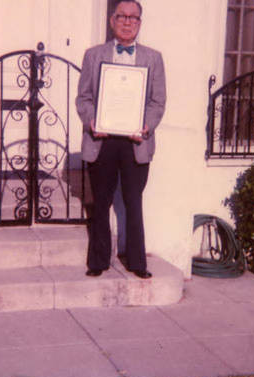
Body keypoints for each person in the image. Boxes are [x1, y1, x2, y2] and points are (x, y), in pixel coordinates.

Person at [76, 0, 166, 279]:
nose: (127, 22)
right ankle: (98, 261)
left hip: (135, 142)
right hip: (102, 139)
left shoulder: (153, 58)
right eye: (122, 16)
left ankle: (137, 261)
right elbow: (84, 97)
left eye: (133, 17)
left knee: (133, 201)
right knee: (101, 202)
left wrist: (145, 126)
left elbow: (157, 101)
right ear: (112, 20)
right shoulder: (93, 55)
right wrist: (92, 122)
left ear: (140, 22)